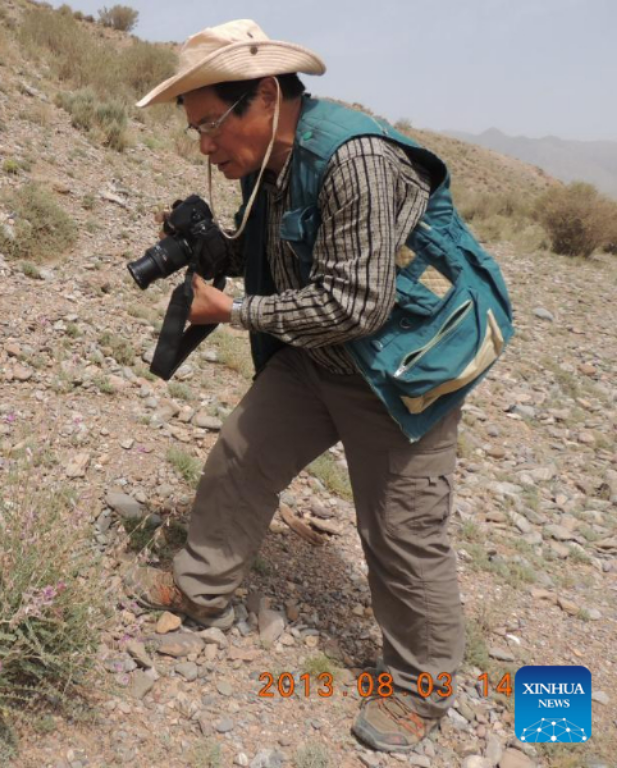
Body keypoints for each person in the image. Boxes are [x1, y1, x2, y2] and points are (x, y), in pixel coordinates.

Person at [125, 19, 512, 753]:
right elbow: (280, 254)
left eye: (211, 123)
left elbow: (355, 303)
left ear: (265, 96)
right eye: (196, 130)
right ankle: (201, 589)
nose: (205, 144)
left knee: (403, 536)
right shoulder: (272, 162)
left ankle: (420, 686)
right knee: (241, 457)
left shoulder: (355, 159)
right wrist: (216, 248)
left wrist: (232, 310)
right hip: (316, 357)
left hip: (399, 371)